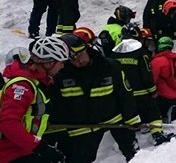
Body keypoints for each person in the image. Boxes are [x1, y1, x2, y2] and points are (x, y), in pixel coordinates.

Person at [48, 34, 141, 162]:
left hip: (115, 120)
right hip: (81, 128)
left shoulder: (110, 67)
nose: (79, 61)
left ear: (87, 48)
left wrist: (132, 120)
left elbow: (125, 95)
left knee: (136, 156)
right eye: (72, 60)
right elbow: (58, 106)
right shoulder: (60, 75)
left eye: (80, 55)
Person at [0, 37, 68, 163]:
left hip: (22, 149)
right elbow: (8, 123)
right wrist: (39, 147)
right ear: (49, 63)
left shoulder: (37, 81)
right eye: (61, 62)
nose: (62, 66)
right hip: (9, 153)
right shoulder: (22, 85)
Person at [111, 24, 175, 146]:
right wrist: (152, 91)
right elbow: (146, 73)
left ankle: (131, 142)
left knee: (129, 116)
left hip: (124, 95)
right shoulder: (141, 52)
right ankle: (157, 134)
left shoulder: (114, 54)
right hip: (141, 92)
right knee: (153, 111)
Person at [151, 37, 176, 123]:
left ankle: (164, 115)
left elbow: (151, 81)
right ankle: (175, 109)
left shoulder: (156, 61)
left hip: (164, 97)